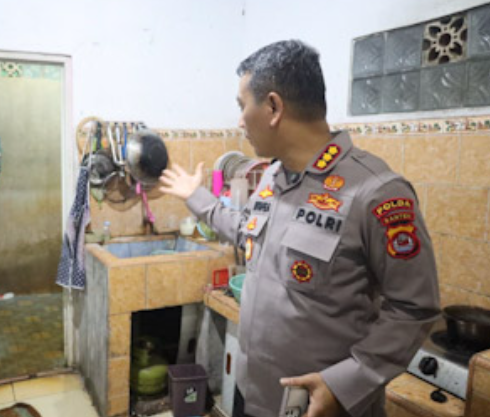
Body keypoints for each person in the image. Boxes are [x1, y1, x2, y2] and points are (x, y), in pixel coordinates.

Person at [159, 40, 440, 417]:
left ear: (273, 107)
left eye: (242, 106)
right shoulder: (273, 176)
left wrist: (345, 384)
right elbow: (245, 232)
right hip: (253, 393)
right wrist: (197, 197)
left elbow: (414, 308)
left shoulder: (377, 192)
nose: (240, 121)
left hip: (321, 406)